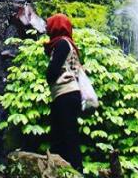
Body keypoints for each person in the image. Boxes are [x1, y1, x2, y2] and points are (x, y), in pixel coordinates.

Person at [44, 13, 84, 172]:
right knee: (64, 134)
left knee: (65, 135)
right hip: (69, 94)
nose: (47, 29)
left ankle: (76, 170)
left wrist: (49, 73)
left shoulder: (61, 44)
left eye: (50, 25)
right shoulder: (68, 44)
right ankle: (66, 169)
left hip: (65, 94)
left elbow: (52, 72)